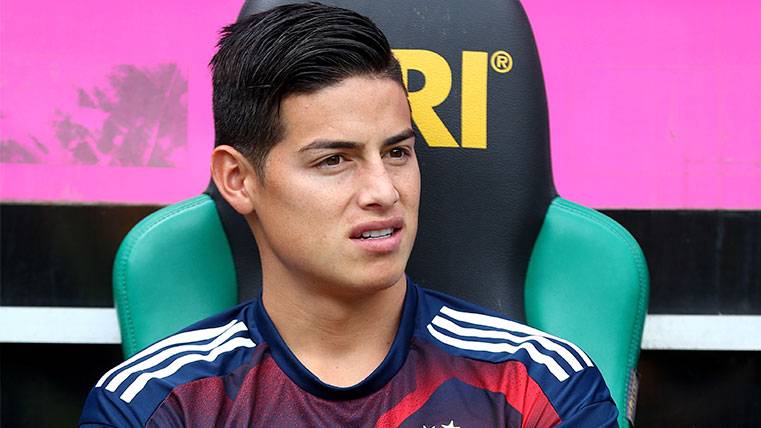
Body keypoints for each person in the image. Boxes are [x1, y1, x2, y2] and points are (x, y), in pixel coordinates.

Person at [80, 3, 618, 427]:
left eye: (398, 152)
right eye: (334, 160)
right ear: (238, 180)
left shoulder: (537, 381)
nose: (384, 191)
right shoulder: (156, 402)